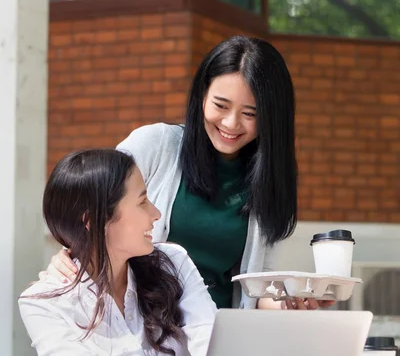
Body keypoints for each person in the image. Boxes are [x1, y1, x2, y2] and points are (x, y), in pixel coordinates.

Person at [42, 35, 334, 311]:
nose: (231, 124)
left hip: (213, 335)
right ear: (202, 95)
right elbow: (91, 203)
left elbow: (256, 283)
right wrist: (69, 253)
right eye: (220, 105)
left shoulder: (268, 178)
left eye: (251, 114)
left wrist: (287, 301)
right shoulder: (155, 144)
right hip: (144, 328)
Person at [19, 149, 217, 356]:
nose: (156, 214)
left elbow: (211, 338)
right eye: (142, 202)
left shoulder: (173, 262)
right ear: (93, 221)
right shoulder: (42, 302)